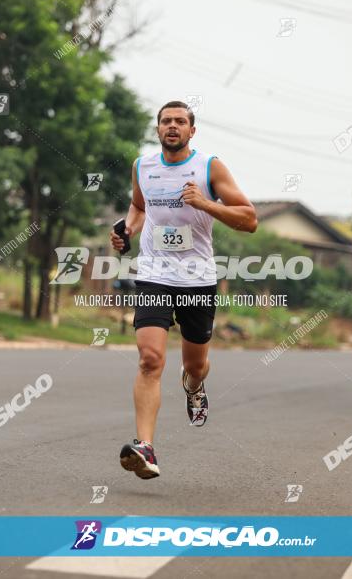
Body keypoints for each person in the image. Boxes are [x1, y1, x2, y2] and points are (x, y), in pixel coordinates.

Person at [110, 100, 257, 479]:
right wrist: (127, 230)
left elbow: (249, 218)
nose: (172, 126)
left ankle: (193, 387)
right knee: (150, 360)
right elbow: (139, 207)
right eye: (165, 121)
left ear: (192, 130)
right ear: (157, 129)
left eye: (180, 121)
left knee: (195, 365)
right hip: (155, 275)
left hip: (197, 280)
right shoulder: (142, 167)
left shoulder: (209, 167)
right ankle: (145, 447)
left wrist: (206, 204)